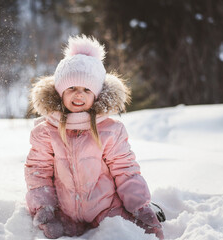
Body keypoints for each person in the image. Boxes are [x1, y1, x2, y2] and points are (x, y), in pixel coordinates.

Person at [25, 35, 164, 239]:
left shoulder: (110, 130)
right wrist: (44, 208)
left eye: (86, 89)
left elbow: (125, 171)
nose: (78, 95)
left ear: (97, 94)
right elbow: (38, 171)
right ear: (60, 92)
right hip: (65, 213)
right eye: (71, 88)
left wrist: (139, 207)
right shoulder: (46, 131)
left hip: (107, 209)